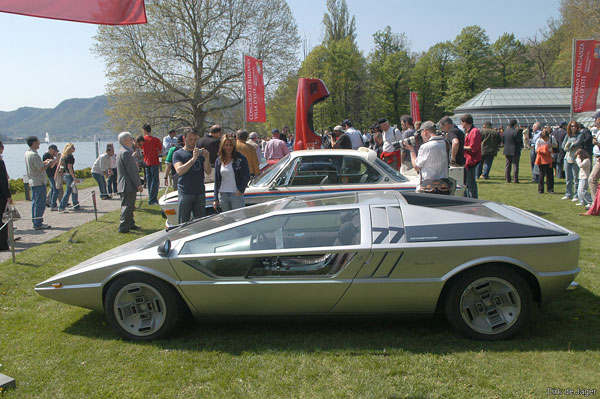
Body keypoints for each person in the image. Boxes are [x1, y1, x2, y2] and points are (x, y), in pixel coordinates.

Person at [174, 127, 211, 223]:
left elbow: (208, 171)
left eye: (195, 140)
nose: (193, 142)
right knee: (183, 222)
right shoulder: (178, 154)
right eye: (190, 139)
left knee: (200, 222)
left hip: (199, 192)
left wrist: (207, 158)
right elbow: (179, 171)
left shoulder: (200, 153)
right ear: (184, 138)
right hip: (185, 192)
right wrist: (193, 159)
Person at [403, 121, 448, 193]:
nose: (421, 136)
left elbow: (417, 167)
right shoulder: (445, 143)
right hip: (443, 185)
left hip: (429, 187)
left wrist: (411, 150)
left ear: (425, 131)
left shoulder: (426, 146)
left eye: (421, 133)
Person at [213, 134, 250, 212]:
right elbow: (217, 180)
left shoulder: (240, 158)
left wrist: (240, 190)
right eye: (226, 145)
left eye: (231, 145)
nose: (228, 147)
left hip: (236, 194)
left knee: (238, 219)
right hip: (223, 194)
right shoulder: (219, 160)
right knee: (226, 219)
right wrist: (215, 198)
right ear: (223, 146)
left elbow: (246, 175)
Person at [116, 132, 144, 233]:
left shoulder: (122, 151)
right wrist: (138, 184)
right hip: (127, 184)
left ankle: (130, 224)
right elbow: (131, 170)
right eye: (130, 138)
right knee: (127, 206)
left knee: (130, 205)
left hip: (124, 184)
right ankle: (123, 227)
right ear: (125, 141)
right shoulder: (126, 153)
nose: (132, 139)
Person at [25, 136, 54, 229]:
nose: (39, 144)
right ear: (33, 143)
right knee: (40, 203)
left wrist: (45, 162)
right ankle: (38, 223)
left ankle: (35, 221)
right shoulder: (34, 155)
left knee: (35, 202)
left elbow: (38, 165)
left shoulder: (27, 153)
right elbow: (41, 168)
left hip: (33, 180)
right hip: (39, 181)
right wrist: (49, 163)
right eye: (38, 142)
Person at [141, 124, 162, 205]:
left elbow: (141, 150)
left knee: (149, 181)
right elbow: (160, 151)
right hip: (154, 161)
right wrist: (155, 152)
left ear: (145, 130)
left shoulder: (143, 140)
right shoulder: (156, 140)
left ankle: (151, 197)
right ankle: (153, 199)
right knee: (155, 181)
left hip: (146, 162)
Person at [561, 121, 583, 201]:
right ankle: (568, 193)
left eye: (575, 126)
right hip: (567, 158)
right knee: (568, 178)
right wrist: (567, 147)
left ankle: (576, 195)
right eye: (572, 126)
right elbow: (563, 146)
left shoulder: (580, 135)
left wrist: (568, 147)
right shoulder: (568, 135)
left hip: (575, 158)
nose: (573, 128)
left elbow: (576, 144)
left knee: (576, 177)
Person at [461, 114, 481, 198]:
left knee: (471, 183)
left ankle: (473, 200)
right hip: (468, 160)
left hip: (472, 160)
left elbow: (473, 148)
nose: (461, 124)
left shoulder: (474, 131)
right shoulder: (469, 131)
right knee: (468, 183)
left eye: (462, 122)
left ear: (465, 122)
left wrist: (461, 147)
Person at [58, 143, 80, 213]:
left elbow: (61, 165)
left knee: (74, 190)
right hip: (69, 175)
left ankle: (76, 205)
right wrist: (74, 177)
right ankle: (61, 207)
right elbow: (70, 168)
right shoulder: (70, 157)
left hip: (65, 174)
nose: (74, 148)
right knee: (69, 191)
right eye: (73, 147)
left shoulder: (63, 156)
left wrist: (61, 172)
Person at [535, 127, 554, 194]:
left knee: (549, 174)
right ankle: (540, 189)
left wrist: (551, 146)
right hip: (541, 158)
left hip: (549, 157)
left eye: (546, 138)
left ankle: (550, 189)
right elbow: (536, 149)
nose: (545, 139)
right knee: (541, 174)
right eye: (543, 138)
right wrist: (545, 148)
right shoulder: (539, 140)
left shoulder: (551, 139)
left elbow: (555, 146)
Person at [43, 144, 61, 211]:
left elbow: (56, 164)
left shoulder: (51, 156)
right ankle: (53, 205)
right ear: (51, 149)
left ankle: (50, 202)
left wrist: (57, 159)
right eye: (54, 151)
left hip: (54, 174)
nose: (54, 152)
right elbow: (51, 166)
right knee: (55, 189)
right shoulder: (46, 156)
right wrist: (56, 159)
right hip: (51, 174)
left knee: (53, 189)